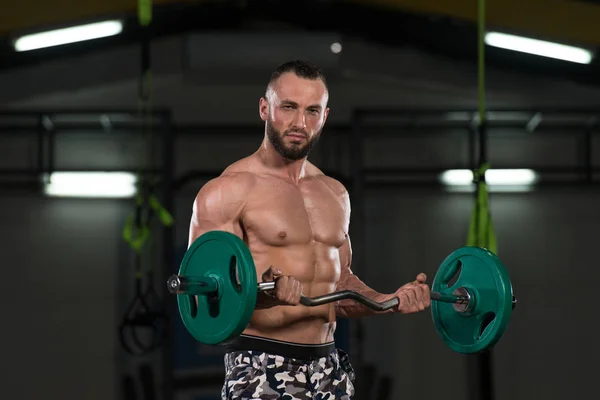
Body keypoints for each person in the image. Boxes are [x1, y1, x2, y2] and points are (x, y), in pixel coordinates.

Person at [188, 60, 431, 400]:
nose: (300, 123)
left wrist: (388, 300)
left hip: (328, 367)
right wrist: (266, 293)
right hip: (260, 364)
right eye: (289, 107)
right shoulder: (227, 191)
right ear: (264, 108)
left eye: (312, 111)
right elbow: (205, 296)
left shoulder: (335, 193)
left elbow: (341, 284)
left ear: (325, 116)